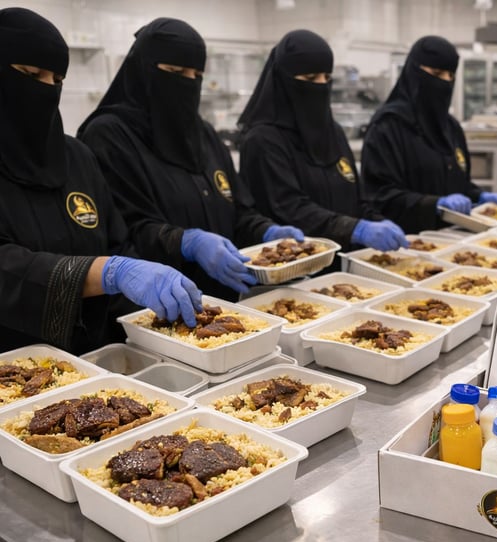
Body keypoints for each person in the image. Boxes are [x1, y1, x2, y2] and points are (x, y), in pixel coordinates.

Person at [0, 7, 202, 354]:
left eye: (57, 80)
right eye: (31, 74)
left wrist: (158, 328)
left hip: (97, 360)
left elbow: (116, 244)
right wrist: (105, 272)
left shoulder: (76, 157)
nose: (46, 89)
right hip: (14, 368)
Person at [78, 18, 304, 302]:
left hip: (226, 307)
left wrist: (266, 230)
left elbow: (237, 211)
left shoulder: (203, 134)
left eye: (196, 75)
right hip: (156, 308)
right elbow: (123, 230)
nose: (187, 82)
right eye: (175, 72)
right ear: (142, 69)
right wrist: (185, 242)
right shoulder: (110, 135)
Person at [237, 29, 408, 252]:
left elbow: (355, 199)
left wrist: (376, 221)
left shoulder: (333, 133)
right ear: (283, 80)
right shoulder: (263, 140)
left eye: (327, 78)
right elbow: (289, 208)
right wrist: (355, 229)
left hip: (347, 264)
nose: (321, 85)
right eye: (310, 79)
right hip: (297, 266)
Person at [361, 35, 497, 234]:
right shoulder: (387, 127)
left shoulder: (450, 127)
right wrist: (433, 205)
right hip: (406, 241)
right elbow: (380, 195)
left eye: (450, 75)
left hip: (454, 238)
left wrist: (477, 195)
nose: (445, 82)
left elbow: (456, 183)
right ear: (414, 72)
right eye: (437, 74)